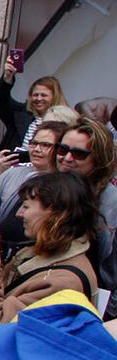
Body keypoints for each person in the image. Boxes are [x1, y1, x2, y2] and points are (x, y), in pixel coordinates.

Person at [0, 171, 99, 324]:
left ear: (55, 213)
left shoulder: (61, 283)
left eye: (26, 206)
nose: (18, 213)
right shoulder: (44, 257)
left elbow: (0, 328)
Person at [56, 116, 117, 309]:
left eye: (79, 154)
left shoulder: (110, 204)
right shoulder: (45, 189)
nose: (67, 158)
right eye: (62, 149)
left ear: (98, 159)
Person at [0, 119, 66, 263]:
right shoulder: (12, 172)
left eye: (45, 145)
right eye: (34, 143)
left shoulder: (62, 186)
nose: (36, 149)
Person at [0, 57, 66, 149]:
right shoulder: (19, 115)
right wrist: (8, 77)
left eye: (44, 95)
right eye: (35, 95)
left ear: (55, 96)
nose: (39, 98)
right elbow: (1, 100)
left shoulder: (64, 121)